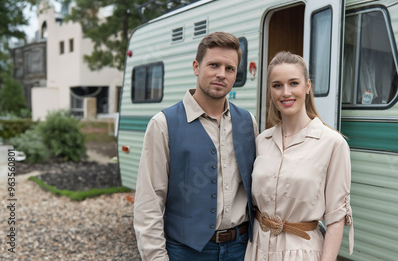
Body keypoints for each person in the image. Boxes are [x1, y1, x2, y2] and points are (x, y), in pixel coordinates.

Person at [134, 31, 258, 260]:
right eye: (214, 65)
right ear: (196, 67)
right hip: (186, 252)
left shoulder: (248, 122)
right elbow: (148, 204)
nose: (221, 74)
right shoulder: (163, 124)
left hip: (241, 249)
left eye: (229, 68)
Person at [244, 51, 354, 260]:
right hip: (257, 249)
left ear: (308, 86)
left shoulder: (332, 143)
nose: (286, 92)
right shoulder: (261, 141)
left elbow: (336, 219)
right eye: (277, 85)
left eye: (293, 83)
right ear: (271, 91)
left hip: (302, 252)